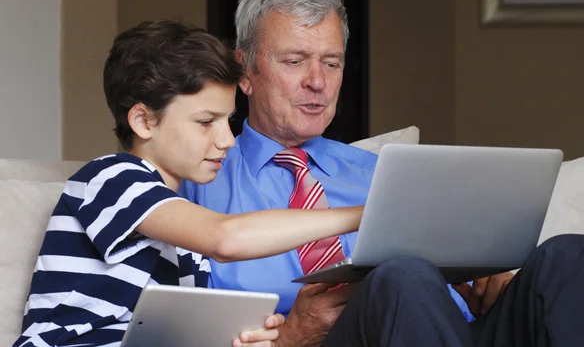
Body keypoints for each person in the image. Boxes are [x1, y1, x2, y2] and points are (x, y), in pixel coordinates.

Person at [180, 0, 584, 346]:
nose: (318, 81)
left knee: (572, 255)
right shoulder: (198, 180)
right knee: (402, 276)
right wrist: (289, 338)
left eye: (331, 62)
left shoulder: (387, 174)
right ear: (244, 72)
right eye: (294, 61)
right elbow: (168, 329)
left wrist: (488, 285)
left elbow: (461, 283)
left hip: (455, 333)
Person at [14, 19, 365, 347]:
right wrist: (367, 214)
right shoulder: (110, 178)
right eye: (205, 121)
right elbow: (225, 238)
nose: (227, 139)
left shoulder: (183, 234)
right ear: (144, 121)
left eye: (228, 120)